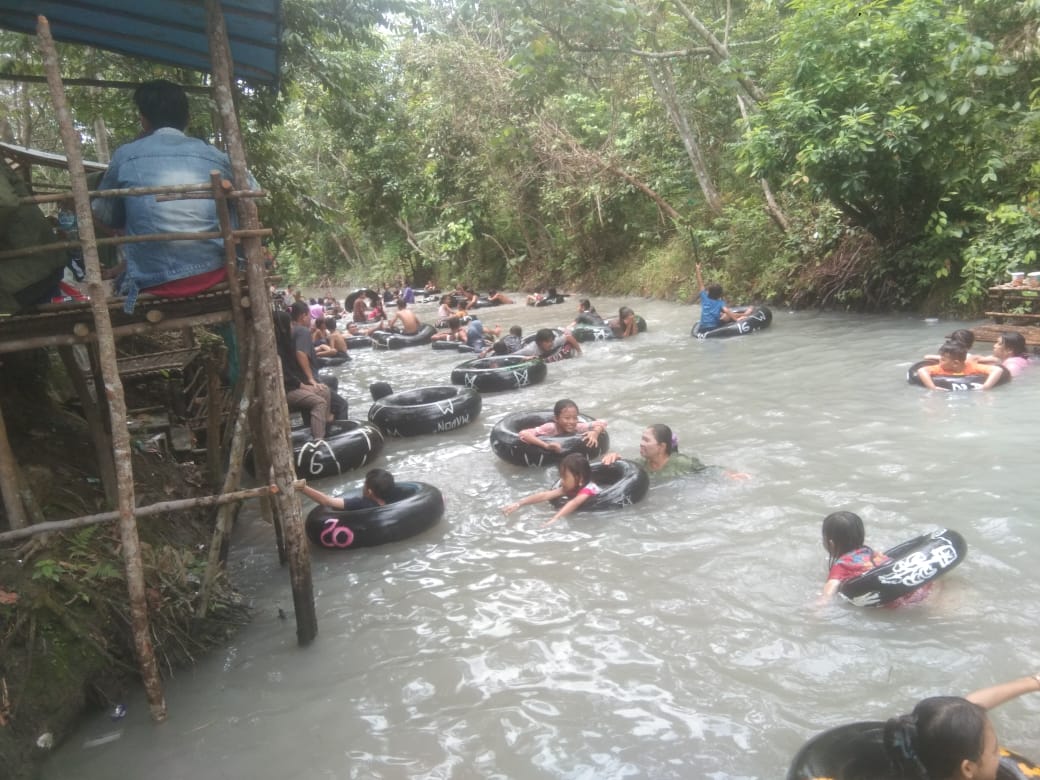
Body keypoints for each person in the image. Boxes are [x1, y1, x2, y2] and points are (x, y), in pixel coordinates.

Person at [92, 79, 258, 313]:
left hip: (153, 279)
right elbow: (253, 192)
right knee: (231, 194)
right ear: (187, 118)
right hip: (214, 271)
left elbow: (104, 214)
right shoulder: (213, 155)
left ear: (143, 119)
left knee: (126, 207)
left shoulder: (126, 155)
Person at [875, 673, 1040, 780]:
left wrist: (1033, 681)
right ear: (968, 768)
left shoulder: (917, 751)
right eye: (994, 750)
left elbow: (969, 705)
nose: (998, 755)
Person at [818, 511, 931, 607]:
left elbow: (830, 588)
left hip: (890, 601)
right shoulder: (871, 553)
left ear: (830, 543)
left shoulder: (841, 565)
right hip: (914, 589)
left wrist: (819, 605)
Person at [0, 161, 69, 313]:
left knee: (34, 325)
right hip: (36, 265)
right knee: (47, 321)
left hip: (25, 271)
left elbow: (4, 202)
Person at [273, 310, 332, 439]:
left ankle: (324, 425)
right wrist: (304, 386)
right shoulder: (275, 350)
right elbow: (286, 377)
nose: (291, 327)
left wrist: (309, 384)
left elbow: (291, 372)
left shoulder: (285, 345)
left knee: (324, 390)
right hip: (285, 390)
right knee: (319, 402)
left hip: (293, 385)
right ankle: (318, 440)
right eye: (289, 325)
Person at [500, 452, 600, 526]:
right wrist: (519, 503)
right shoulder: (568, 488)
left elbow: (574, 503)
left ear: (580, 478)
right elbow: (545, 495)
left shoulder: (588, 489)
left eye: (565, 477)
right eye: (561, 476)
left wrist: (554, 519)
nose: (561, 481)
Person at [290, 301, 348, 419]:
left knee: (331, 380)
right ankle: (335, 428)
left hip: (297, 378)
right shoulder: (302, 331)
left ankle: (322, 414)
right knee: (342, 405)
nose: (311, 319)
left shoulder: (291, 330)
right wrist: (311, 379)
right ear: (303, 316)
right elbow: (300, 353)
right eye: (309, 316)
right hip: (306, 380)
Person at [601, 424, 706, 479]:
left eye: (646, 440)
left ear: (662, 446)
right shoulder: (640, 464)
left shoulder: (683, 463)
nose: (641, 443)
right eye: (642, 439)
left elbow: (709, 472)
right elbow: (626, 468)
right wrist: (614, 457)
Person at [519, 399, 606, 453]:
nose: (571, 422)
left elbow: (602, 422)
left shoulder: (577, 426)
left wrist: (595, 432)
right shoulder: (550, 428)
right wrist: (546, 446)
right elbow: (524, 434)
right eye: (567, 418)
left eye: (575, 418)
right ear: (556, 419)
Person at [915, 341, 1004, 391]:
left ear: (955, 363)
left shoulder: (972, 366)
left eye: (943, 359)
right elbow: (921, 371)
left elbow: (998, 370)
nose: (939, 361)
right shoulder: (939, 368)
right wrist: (932, 388)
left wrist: (986, 387)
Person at [694, 263, 753, 332]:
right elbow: (727, 311)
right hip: (713, 328)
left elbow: (700, 283)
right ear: (720, 295)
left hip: (702, 328)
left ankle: (745, 314)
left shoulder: (704, 297)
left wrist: (697, 269)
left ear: (709, 292)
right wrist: (737, 319)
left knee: (722, 314)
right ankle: (746, 313)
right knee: (726, 316)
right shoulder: (720, 303)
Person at [300, 468, 395, 511]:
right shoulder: (387, 501)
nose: (363, 486)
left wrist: (302, 487)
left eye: (364, 484)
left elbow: (326, 501)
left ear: (369, 492)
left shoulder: (360, 503)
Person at [513, 327, 583, 360]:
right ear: (540, 343)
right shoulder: (530, 350)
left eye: (551, 341)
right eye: (547, 342)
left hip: (556, 331)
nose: (550, 344)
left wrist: (580, 352)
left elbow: (569, 337)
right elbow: (512, 356)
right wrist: (525, 358)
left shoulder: (554, 342)